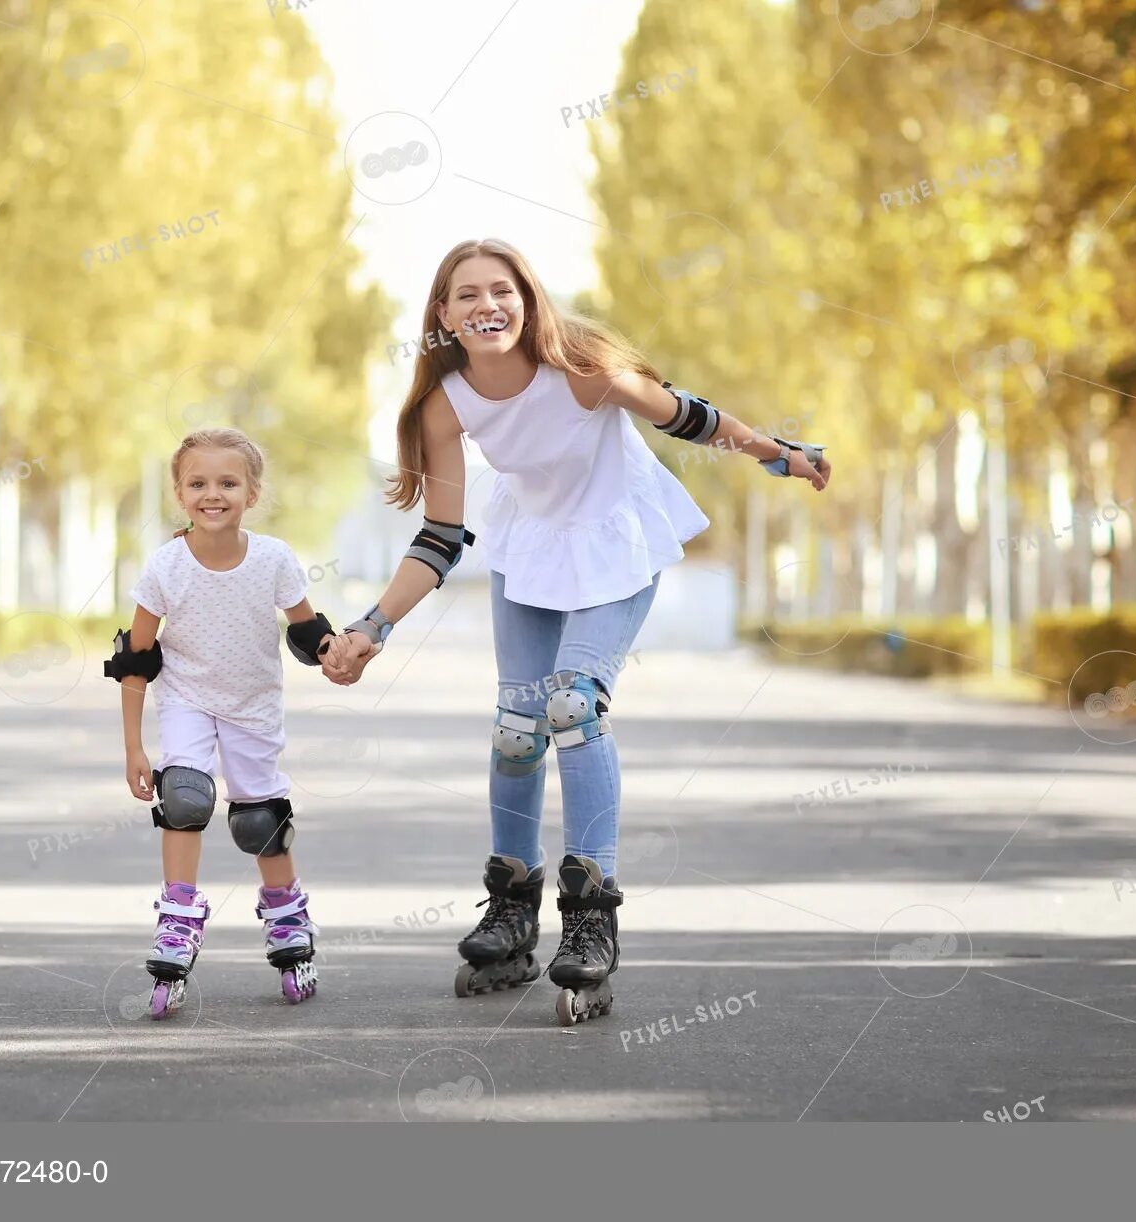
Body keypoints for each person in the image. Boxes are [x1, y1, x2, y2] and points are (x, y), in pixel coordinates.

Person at [321, 238, 830, 1025]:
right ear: (443, 315)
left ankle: (591, 913)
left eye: (502, 290)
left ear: (527, 300)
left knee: (572, 706)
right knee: (516, 728)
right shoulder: (444, 403)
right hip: (532, 549)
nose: (487, 305)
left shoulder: (582, 369)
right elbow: (439, 539)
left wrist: (777, 453)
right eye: (467, 295)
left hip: (616, 538)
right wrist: (371, 626)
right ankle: (513, 908)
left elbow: (686, 417)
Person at [105, 427, 342, 1017]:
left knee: (259, 817)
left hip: (253, 705)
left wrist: (338, 654)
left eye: (228, 483)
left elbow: (309, 630)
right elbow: (136, 660)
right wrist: (135, 748)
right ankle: (177, 920)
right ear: (179, 493)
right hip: (186, 698)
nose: (213, 494)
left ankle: (287, 919)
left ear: (252, 493)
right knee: (183, 797)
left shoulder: (273, 559)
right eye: (199, 483)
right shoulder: (164, 567)